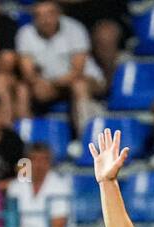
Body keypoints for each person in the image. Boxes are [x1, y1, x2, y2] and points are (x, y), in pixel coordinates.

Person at [15, 0, 106, 138]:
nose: (45, 20)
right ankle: (26, 138)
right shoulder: (26, 33)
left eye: (49, 14)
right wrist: (38, 83)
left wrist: (50, 84)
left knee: (79, 85)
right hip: (49, 84)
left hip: (85, 79)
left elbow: (77, 70)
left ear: (58, 14)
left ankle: (85, 138)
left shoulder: (75, 29)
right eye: (39, 15)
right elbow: (27, 71)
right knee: (22, 89)